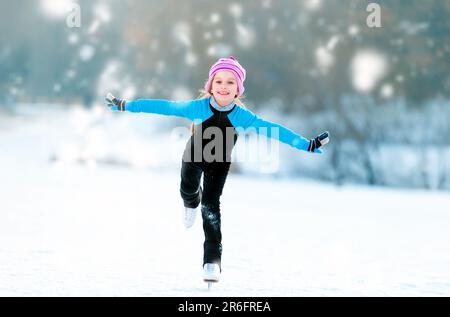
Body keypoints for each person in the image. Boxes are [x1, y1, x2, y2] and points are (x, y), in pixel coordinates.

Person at [105, 56, 329, 283]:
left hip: (219, 165)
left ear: (238, 90)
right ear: (210, 86)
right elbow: (162, 106)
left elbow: (274, 129)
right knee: (187, 189)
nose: (224, 86)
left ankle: (212, 262)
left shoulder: (243, 117)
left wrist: (306, 144)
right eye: (219, 81)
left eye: (231, 82)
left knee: (211, 208)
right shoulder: (198, 108)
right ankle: (191, 202)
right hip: (193, 158)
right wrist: (126, 105)